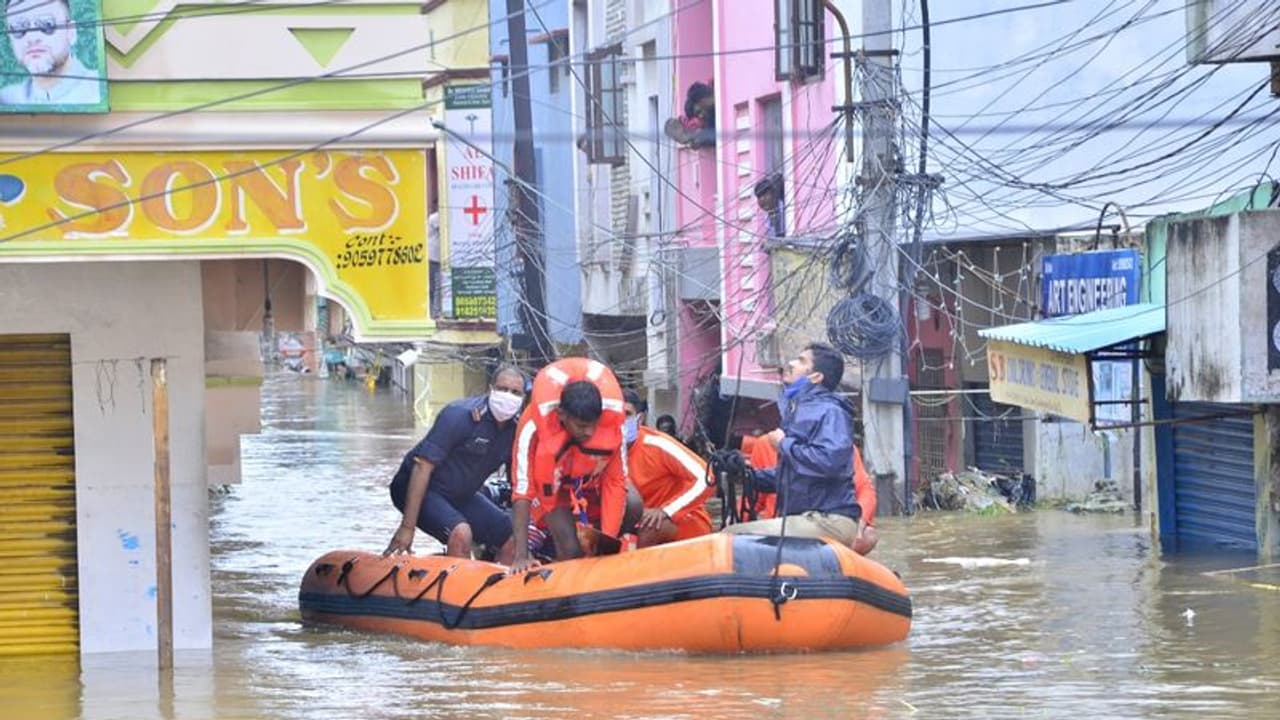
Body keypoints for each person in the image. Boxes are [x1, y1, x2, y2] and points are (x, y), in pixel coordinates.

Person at [384, 365, 527, 562]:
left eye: (515, 392)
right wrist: (407, 528)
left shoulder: (517, 431)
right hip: (420, 487)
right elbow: (422, 467)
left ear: (523, 398)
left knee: (513, 537)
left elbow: (519, 485)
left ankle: (494, 584)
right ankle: (456, 584)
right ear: (490, 389)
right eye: (502, 389)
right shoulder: (459, 415)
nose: (508, 396)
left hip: (462, 494)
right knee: (461, 533)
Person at [725, 343, 861, 546]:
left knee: (730, 536)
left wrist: (783, 444)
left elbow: (829, 462)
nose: (790, 363)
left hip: (827, 520)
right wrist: (748, 476)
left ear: (815, 377)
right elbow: (792, 477)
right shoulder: (799, 410)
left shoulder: (830, 411)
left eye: (801, 360)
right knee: (733, 533)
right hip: (806, 518)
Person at [509, 358, 631, 573]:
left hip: (589, 480)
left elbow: (616, 481)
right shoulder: (531, 426)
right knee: (570, 548)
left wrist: (605, 542)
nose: (590, 433)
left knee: (634, 504)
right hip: (551, 486)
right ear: (562, 416)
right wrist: (521, 555)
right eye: (582, 426)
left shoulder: (613, 425)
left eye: (594, 425)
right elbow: (522, 489)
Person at [740, 433, 878, 555]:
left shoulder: (839, 447)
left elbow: (865, 489)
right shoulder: (765, 444)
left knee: (869, 536)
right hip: (781, 526)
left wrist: (861, 524)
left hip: (826, 526)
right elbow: (752, 498)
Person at [622, 390, 714, 547]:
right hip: (635, 518)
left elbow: (707, 478)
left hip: (683, 518)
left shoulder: (657, 444)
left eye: (626, 414)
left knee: (649, 527)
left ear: (640, 418)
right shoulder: (603, 451)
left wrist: (666, 511)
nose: (621, 420)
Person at [1, 0, 101, 106]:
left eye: (46, 24)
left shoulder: (99, 91)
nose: (32, 37)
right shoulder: (6, 99)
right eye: (18, 28)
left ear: (71, 32)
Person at [663, 81, 716, 148]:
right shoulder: (710, 116)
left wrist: (699, 136)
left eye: (699, 111)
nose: (701, 116)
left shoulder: (719, 86)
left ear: (702, 100)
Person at [754, 173, 786, 238]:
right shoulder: (767, 218)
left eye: (765, 194)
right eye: (759, 196)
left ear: (774, 194)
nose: (762, 199)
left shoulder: (784, 211)